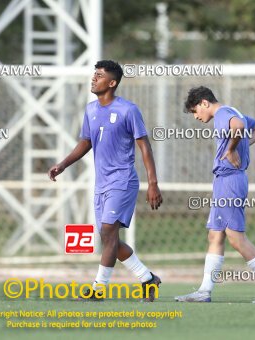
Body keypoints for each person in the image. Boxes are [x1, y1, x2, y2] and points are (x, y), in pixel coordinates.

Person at [48, 60, 163, 302]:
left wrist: (152, 183)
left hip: (123, 180)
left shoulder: (128, 110)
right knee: (108, 237)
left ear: (112, 83)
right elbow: (86, 142)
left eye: (99, 76)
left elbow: (144, 147)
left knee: (109, 231)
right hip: (101, 183)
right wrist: (63, 164)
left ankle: (98, 289)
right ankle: (147, 278)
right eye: (94, 75)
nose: (93, 79)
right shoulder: (90, 110)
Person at [175, 86, 255, 303]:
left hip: (230, 180)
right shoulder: (233, 111)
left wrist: (233, 148)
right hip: (224, 180)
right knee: (215, 235)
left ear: (205, 103)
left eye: (195, 111)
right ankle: (204, 292)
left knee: (236, 238)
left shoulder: (223, 114)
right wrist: (241, 144)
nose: (196, 117)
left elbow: (239, 126)